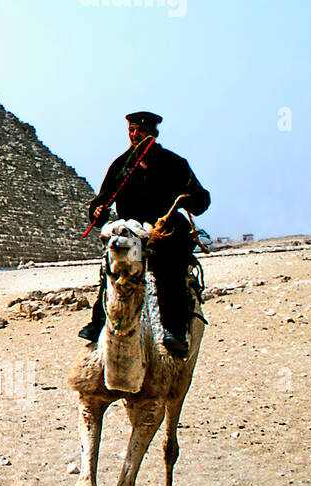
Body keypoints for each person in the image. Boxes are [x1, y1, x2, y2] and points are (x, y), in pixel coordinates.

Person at [78, 111, 211, 358]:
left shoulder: (175, 163)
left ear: (153, 131)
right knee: (114, 269)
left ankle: (175, 330)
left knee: (168, 267)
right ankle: (98, 322)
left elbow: (203, 199)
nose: (134, 135)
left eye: (139, 130)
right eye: (131, 130)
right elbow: (100, 204)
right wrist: (97, 210)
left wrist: (189, 200)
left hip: (166, 230)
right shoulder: (121, 166)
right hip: (133, 231)